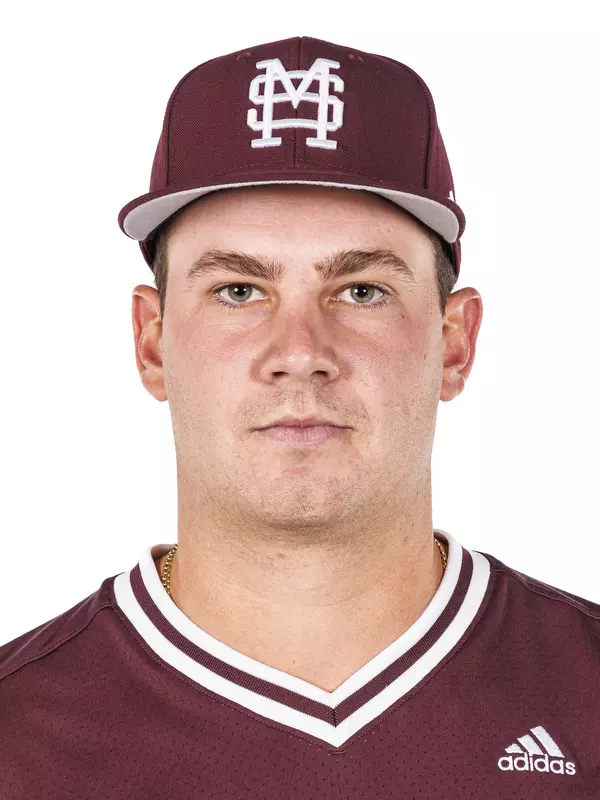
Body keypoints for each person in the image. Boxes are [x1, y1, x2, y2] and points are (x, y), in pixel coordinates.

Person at [1, 35, 598, 799]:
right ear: (152, 343)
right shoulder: (18, 736)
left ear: (455, 344)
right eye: (239, 292)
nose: (300, 351)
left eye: (361, 291)